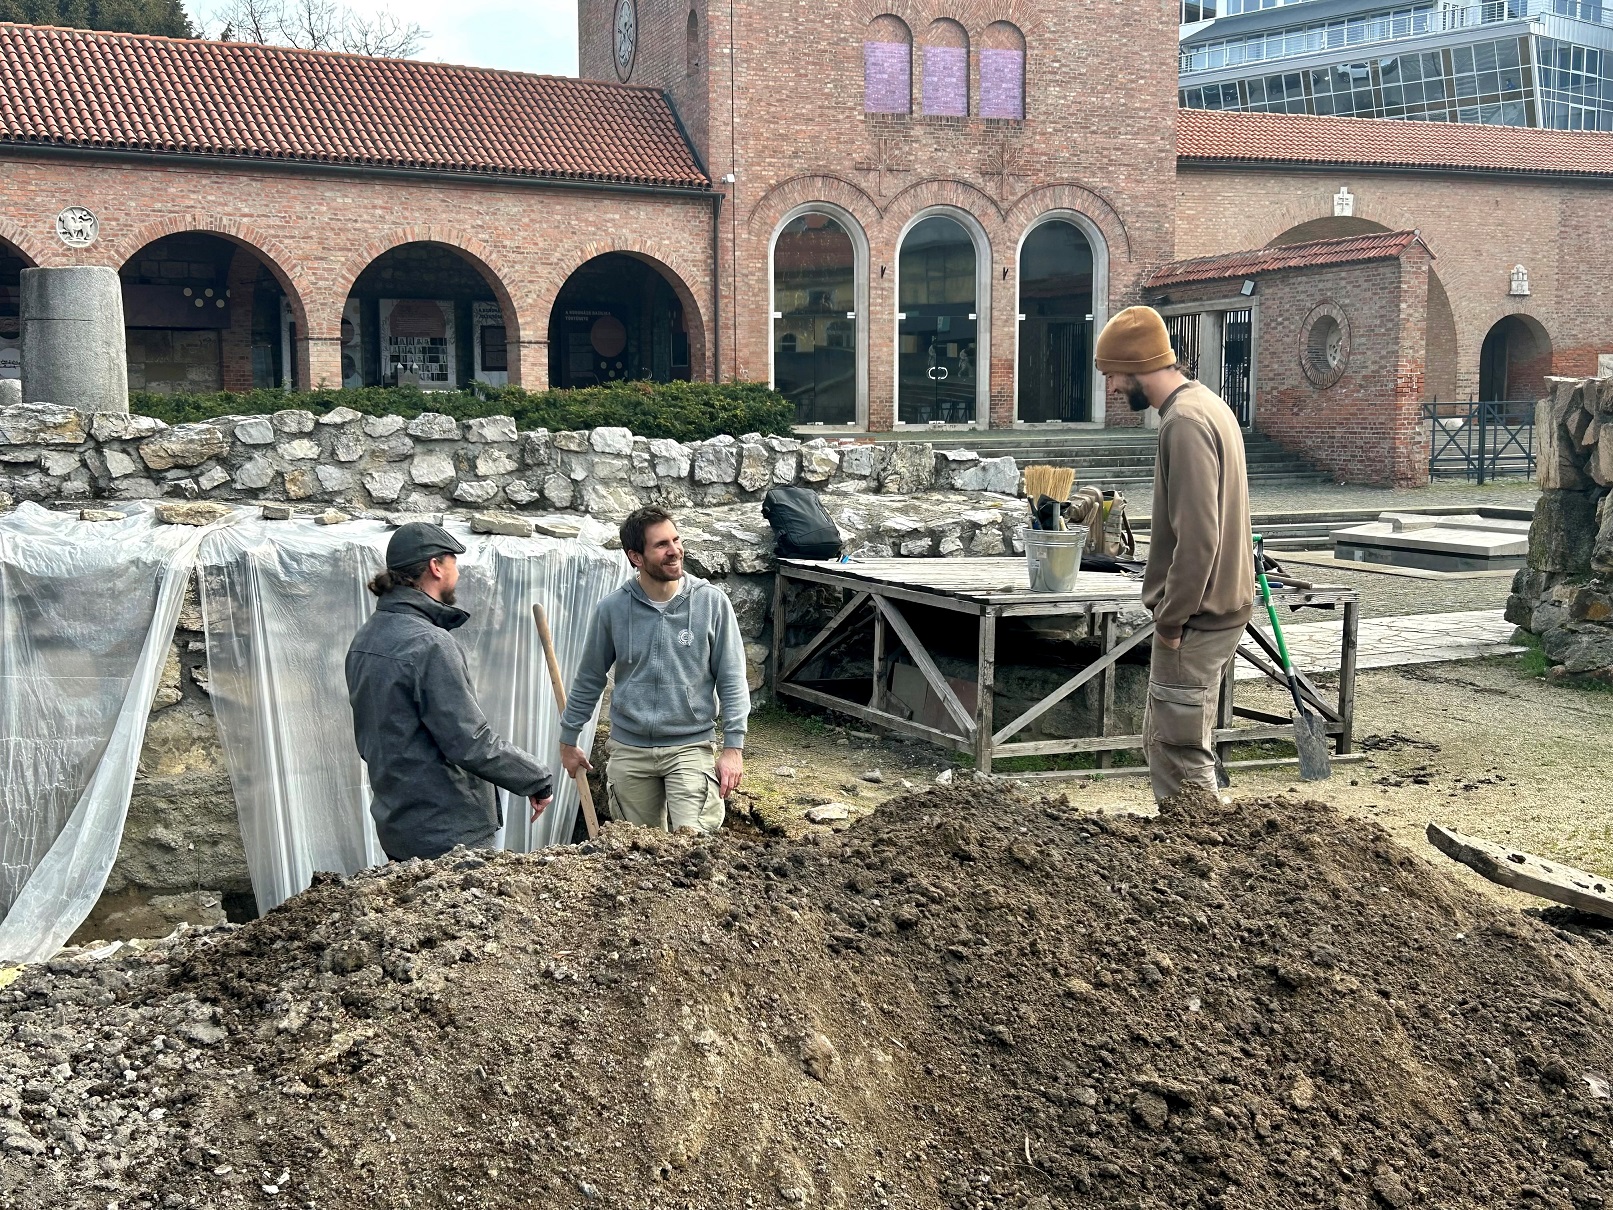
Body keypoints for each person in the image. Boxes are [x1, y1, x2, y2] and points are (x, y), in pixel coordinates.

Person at [1093, 306, 1254, 802]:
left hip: (1198, 616)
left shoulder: (1182, 422)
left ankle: (1203, 859)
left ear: (1139, 365)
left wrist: (1170, 618)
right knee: (1175, 738)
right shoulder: (1207, 403)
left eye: (1113, 374)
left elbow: (1199, 538)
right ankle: (1198, 852)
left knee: (1178, 749)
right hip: (1220, 604)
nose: (1113, 387)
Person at [346, 521, 554, 860]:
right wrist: (536, 777)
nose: (458, 571)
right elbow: (469, 741)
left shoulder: (365, 639)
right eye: (454, 561)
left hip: (398, 823)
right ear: (436, 567)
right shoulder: (429, 644)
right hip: (447, 830)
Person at [559, 507, 750, 833]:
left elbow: (732, 678)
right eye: (661, 545)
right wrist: (568, 740)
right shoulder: (613, 609)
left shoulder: (711, 602)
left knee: (696, 848)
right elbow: (589, 679)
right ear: (636, 556)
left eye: (676, 540)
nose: (674, 550)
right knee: (638, 857)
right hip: (629, 751)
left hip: (690, 748)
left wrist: (733, 748)